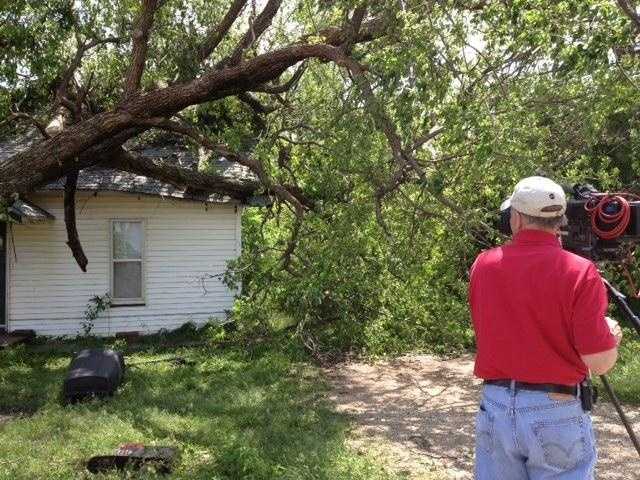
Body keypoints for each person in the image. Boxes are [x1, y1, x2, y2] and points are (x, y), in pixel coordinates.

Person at [469, 176, 623, 479]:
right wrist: (611, 337)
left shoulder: (483, 265)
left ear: (514, 217)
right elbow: (600, 361)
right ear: (561, 220)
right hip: (557, 408)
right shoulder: (580, 272)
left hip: (496, 404)